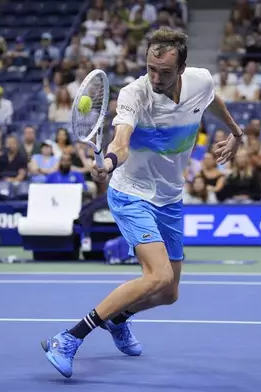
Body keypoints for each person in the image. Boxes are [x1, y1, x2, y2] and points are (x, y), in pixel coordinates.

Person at [41, 27, 243, 378]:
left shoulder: (200, 81)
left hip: (169, 196)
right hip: (131, 192)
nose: (155, 77)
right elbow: (121, 140)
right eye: (151, 68)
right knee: (158, 275)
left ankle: (119, 318)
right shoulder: (134, 95)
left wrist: (236, 134)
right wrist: (108, 163)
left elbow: (212, 99)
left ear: (181, 69)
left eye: (164, 72)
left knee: (169, 293)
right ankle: (70, 337)